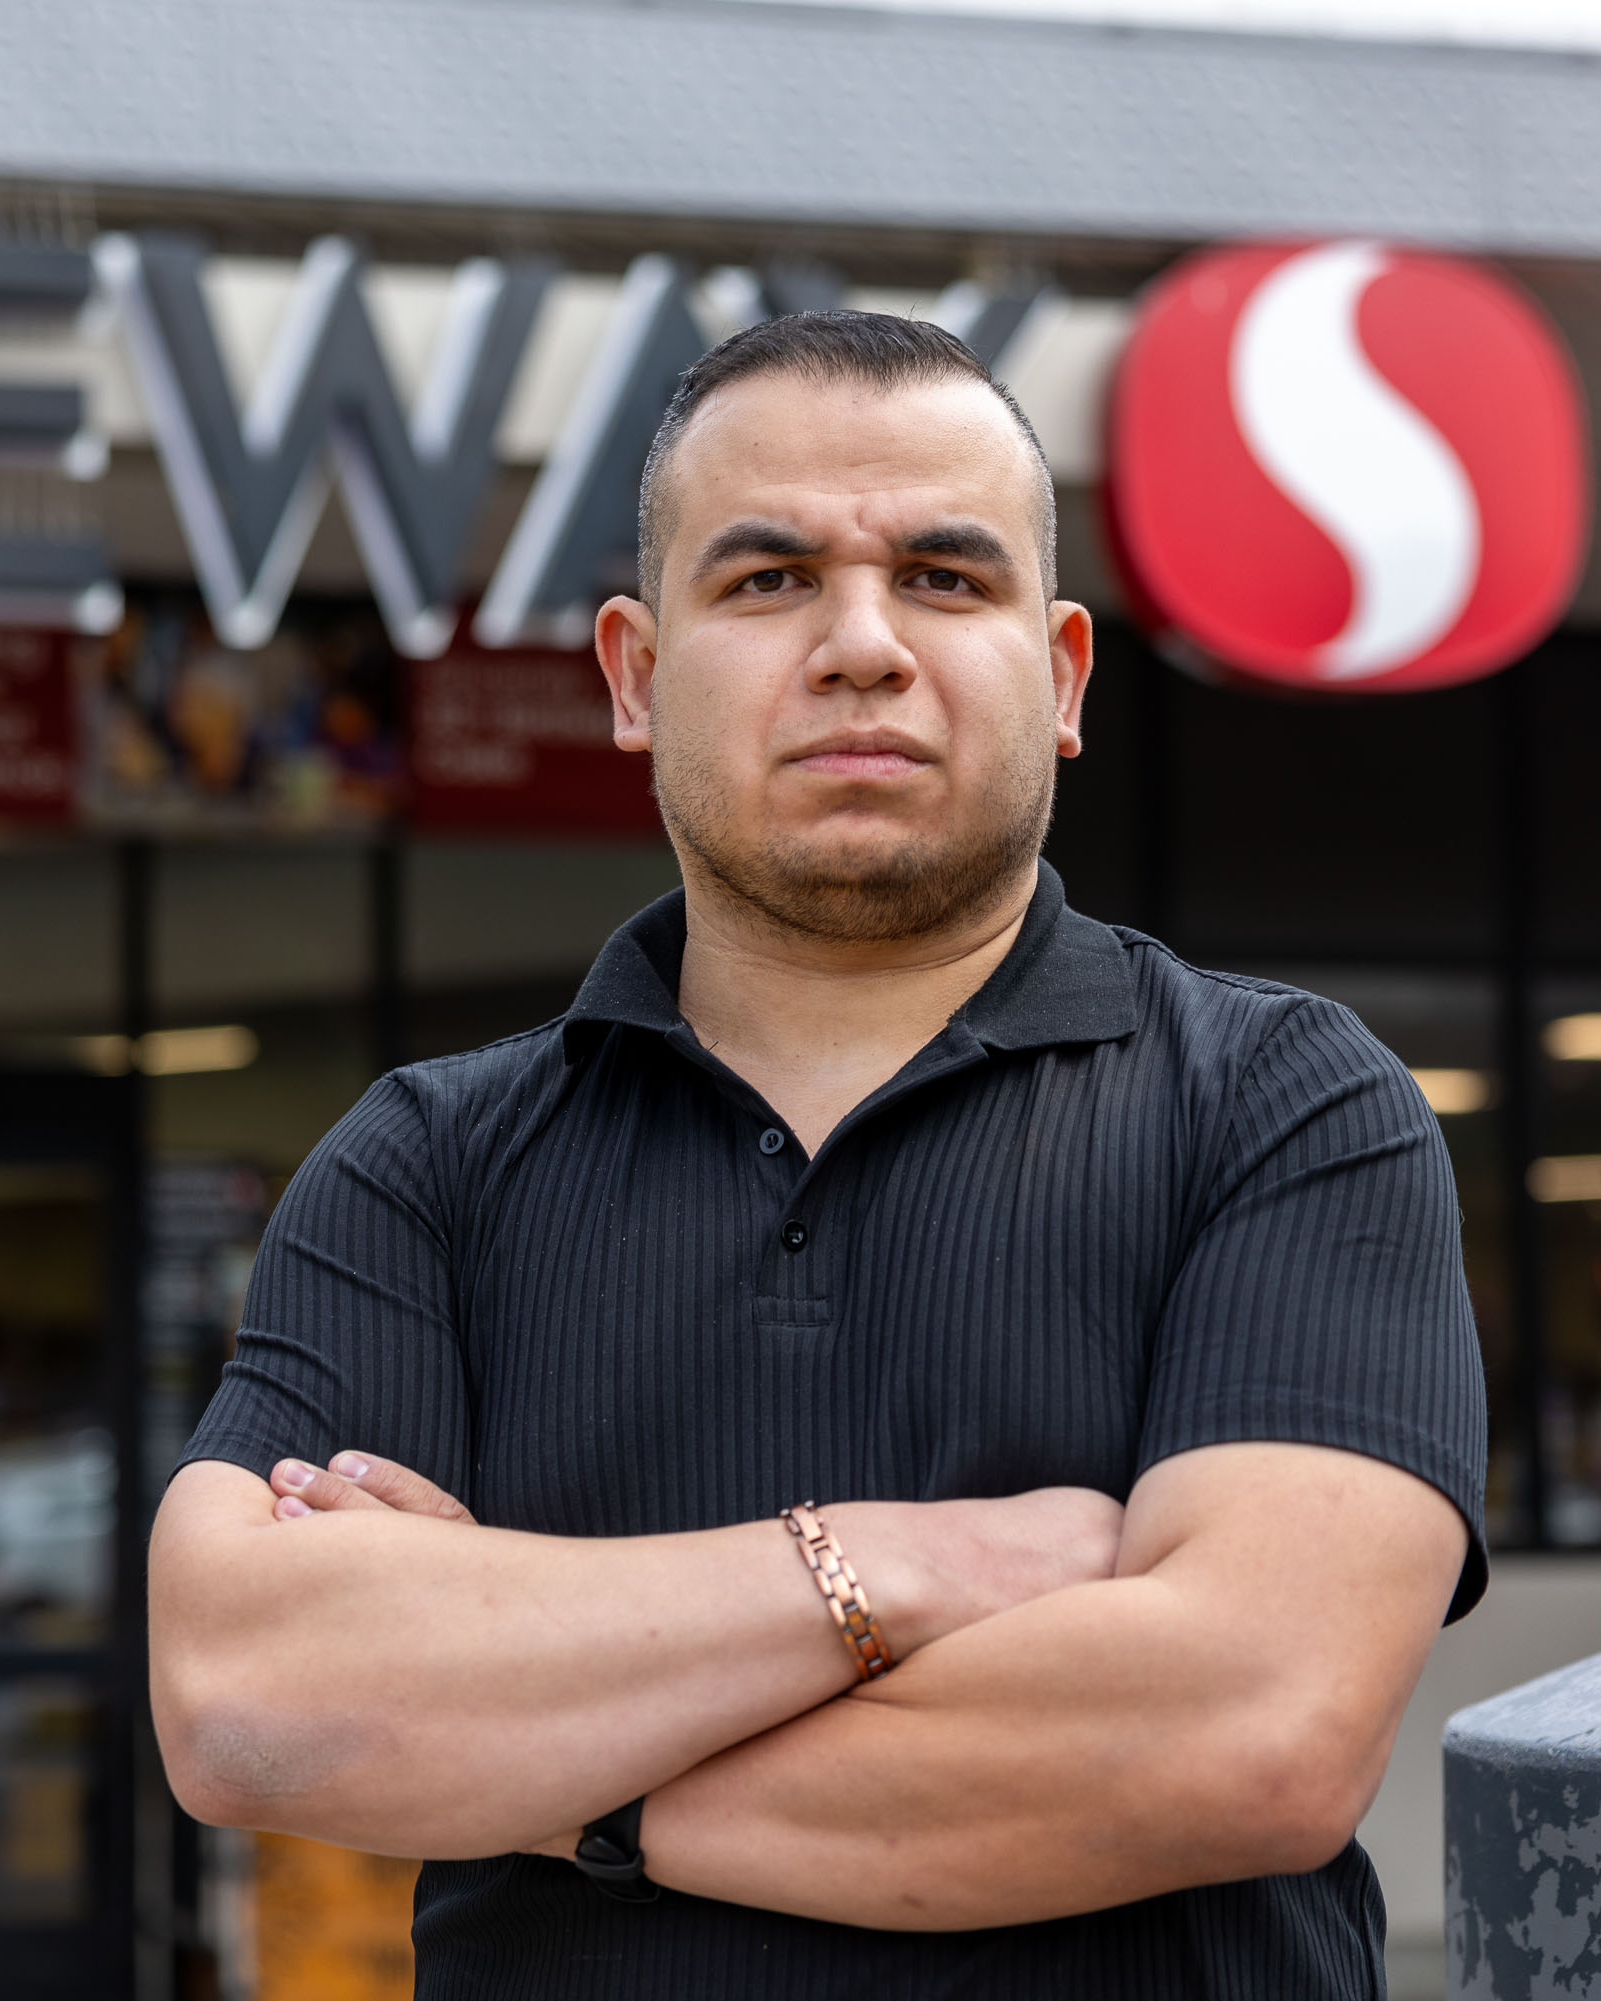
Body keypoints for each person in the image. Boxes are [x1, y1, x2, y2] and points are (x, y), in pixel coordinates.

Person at [150, 311, 1486, 2000]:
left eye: (942, 575)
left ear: (1062, 673)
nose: (862, 643)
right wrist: (919, 1563)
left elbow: (1252, 1734)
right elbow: (251, 1699)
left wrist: (555, 1766)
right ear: (635, 675)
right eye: (768, 578)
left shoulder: (1285, 1104)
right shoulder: (426, 1161)